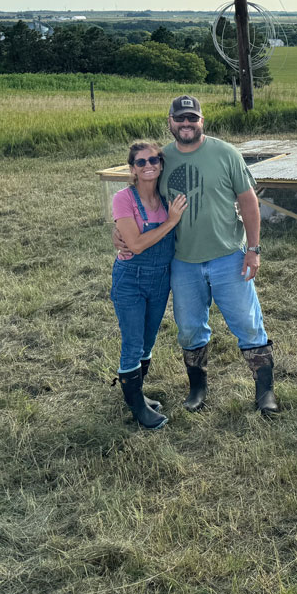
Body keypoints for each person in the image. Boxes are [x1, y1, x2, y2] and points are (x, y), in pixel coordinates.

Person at [117, 95, 279, 417]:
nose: (187, 124)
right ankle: (197, 388)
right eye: (181, 119)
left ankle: (265, 392)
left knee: (247, 323)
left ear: (202, 120)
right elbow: (140, 200)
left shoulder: (225, 154)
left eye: (193, 118)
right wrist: (119, 233)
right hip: (183, 262)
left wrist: (254, 249)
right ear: (170, 121)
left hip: (227, 256)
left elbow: (248, 203)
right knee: (189, 328)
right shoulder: (161, 160)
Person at [110, 141, 188, 429]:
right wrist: (171, 221)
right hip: (131, 279)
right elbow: (137, 244)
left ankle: (137, 394)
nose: (149, 166)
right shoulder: (124, 198)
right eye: (141, 162)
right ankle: (137, 408)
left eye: (154, 160)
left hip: (160, 280)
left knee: (147, 341)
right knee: (132, 343)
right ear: (132, 168)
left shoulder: (168, 197)